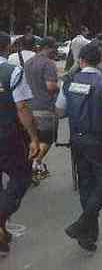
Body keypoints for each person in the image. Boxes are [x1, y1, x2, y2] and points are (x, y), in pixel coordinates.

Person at [55, 42, 102, 252]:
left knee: (86, 184)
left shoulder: (68, 83)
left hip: (77, 141)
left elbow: (60, 111)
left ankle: (88, 234)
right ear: (101, 61)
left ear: (80, 61)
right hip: (100, 140)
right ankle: (84, 223)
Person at [0, 31, 40, 254]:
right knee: (21, 178)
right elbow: (22, 108)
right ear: (7, 48)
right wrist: (34, 137)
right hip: (8, 138)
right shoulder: (12, 71)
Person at [23, 37, 59, 181]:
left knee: (34, 139)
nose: (55, 52)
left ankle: (30, 164)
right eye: (54, 49)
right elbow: (50, 86)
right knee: (47, 138)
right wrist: (60, 86)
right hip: (44, 107)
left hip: (29, 107)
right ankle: (35, 163)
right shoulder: (49, 64)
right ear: (48, 48)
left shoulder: (28, 62)